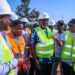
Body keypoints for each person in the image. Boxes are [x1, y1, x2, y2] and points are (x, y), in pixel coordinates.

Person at [0, 0, 24, 75]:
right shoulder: (6, 37)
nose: (9, 23)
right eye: (8, 19)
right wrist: (15, 62)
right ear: (0, 19)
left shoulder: (1, 37)